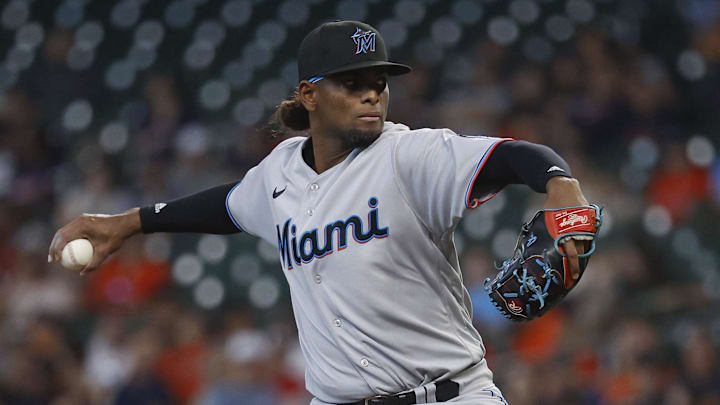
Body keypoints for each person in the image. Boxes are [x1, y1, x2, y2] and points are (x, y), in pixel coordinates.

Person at [49, 21, 592, 405]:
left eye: (378, 84)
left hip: (449, 396)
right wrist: (129, 222)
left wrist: (561, 188)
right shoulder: (279, 171)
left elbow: (515, 156)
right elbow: (226, 206)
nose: (371, 96)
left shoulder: (408, 155)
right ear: (310, 94)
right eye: (351, 84)